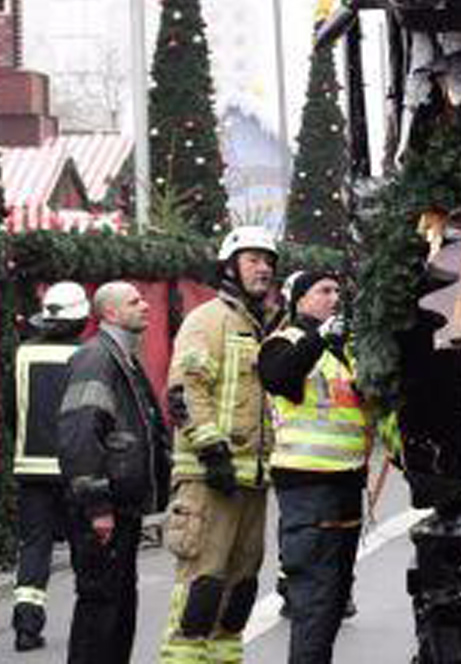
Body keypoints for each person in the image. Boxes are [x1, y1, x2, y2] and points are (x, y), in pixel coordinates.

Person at [159, 225, 281, 664]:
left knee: (239, 591)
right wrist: (212, 451)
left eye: (268, 261)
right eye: (253, 259)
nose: (263, 268)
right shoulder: (208, 320)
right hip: (209, 477)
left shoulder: (260, 326)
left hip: (251, 480)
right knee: (202, 588)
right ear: (230, 267)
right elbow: (185, 390)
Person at [259, 268, 373, 664]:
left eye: (338, 291)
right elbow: (278, 376)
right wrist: (320, 338)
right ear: (299, 300)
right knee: (315, 604)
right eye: (324, 290)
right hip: (308, 489)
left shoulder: (346, 351)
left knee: (334, 602)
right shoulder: (283, 342)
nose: (334, 297)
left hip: (346, 486)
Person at [57, 280, 171, 664]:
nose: (145, 306)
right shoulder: (96, 359)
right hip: (104, 511)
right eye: (134, 301)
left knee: (118, 608)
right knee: (101, 610)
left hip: (122, 508)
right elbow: (80, 436)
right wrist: (97, 505)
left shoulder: (122, 357)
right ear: (109, 313)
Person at [10, 281, 90, 651]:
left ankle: (26, 626)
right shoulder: (87, 356)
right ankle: (89, 624)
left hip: (30, 468)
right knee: (83, 547)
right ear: (83, 318)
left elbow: (13, 412)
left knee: (34, 546)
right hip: (77, 469)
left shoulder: (23, 355)